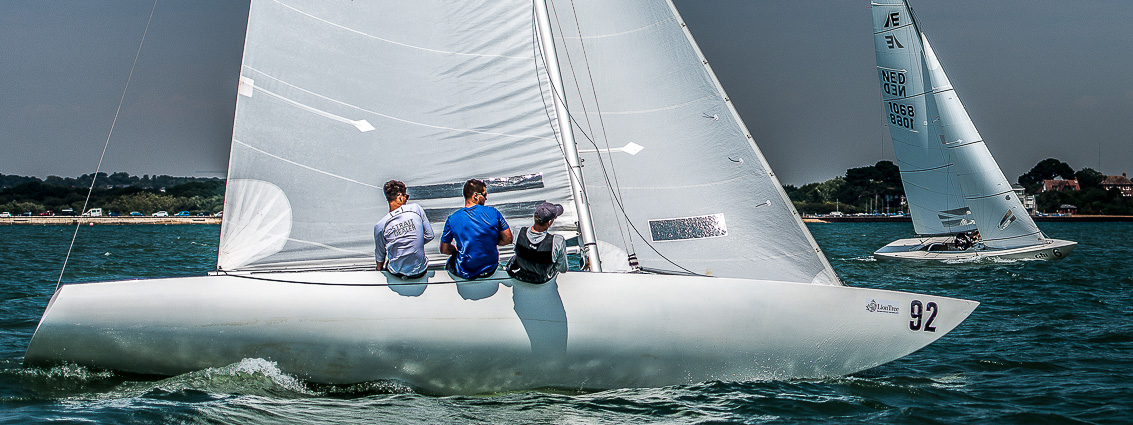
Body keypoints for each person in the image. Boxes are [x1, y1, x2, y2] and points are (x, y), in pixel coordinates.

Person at [440, 179, 512, 279]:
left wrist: (455, 250)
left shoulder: (452, 219)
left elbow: (444, 250)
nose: (486, 199)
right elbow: (508, 239)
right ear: (475, 196)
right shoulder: (493, 212)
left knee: (450, 262)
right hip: (489, 270)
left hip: (465, 271)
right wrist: (489, 241)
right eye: (484, 195)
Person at [374, 180, 434, 279]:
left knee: (390, 262)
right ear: (400, 196)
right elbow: (430, 235)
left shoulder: (380, 225)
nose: (407, 200)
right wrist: (413, 243)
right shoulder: (416, 209)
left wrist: (378, 270)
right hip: (419, 271)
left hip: (396, 272)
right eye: (406, 197)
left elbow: (380, 254)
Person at [506, 202, 567, 284]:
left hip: (519, 276)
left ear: (534, 216)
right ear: (550, 222)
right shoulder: (557, 241)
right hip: (542, 280)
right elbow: (563, 269)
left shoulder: (518, 230)